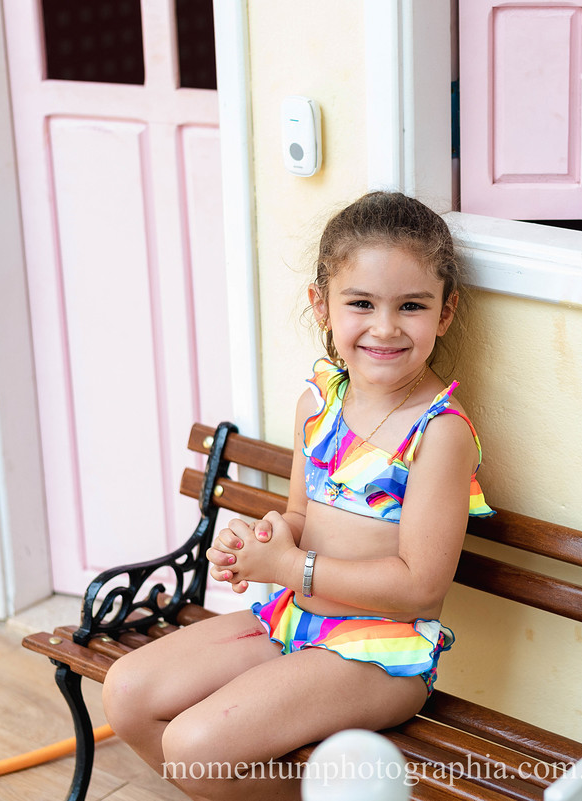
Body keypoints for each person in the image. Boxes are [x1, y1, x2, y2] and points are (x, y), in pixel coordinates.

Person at [102, 191, 493, 800]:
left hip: (377, 651)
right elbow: (299, 514)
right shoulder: (318, 402)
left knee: (195, 746)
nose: (384, 327)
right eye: (361, 303)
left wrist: (291, 566)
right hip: (293, 620)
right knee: (127, 693)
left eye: (411, 306)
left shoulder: (439, 434)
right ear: (322, 305)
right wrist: (264, 541)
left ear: (444, 314)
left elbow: (420, 586)